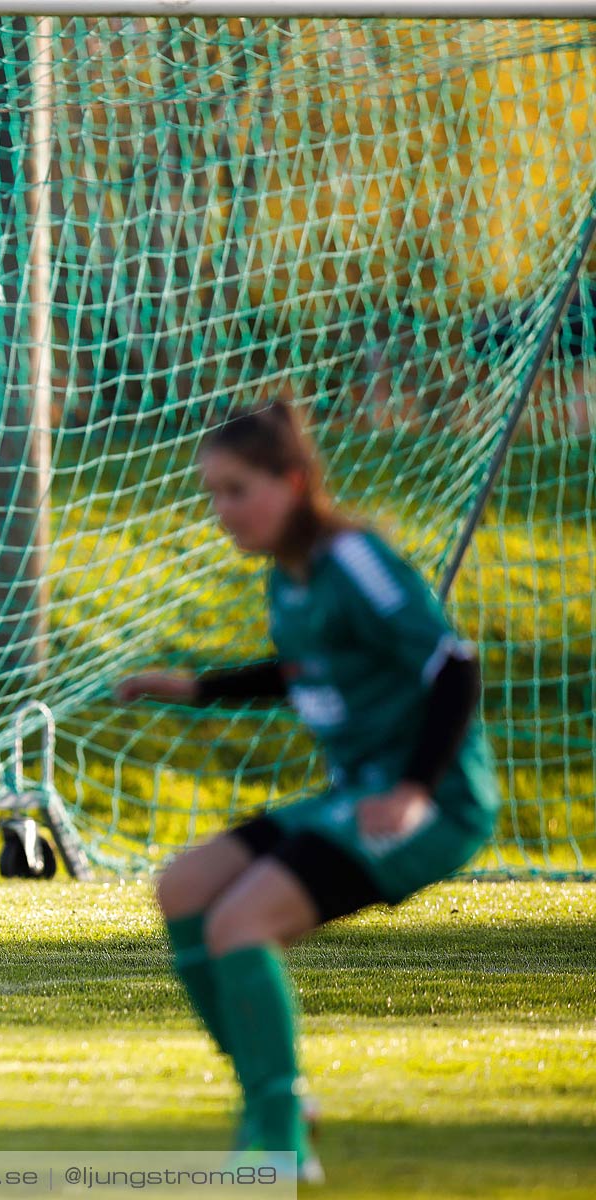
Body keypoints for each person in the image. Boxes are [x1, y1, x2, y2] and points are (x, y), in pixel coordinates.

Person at [116, 401, 497, 1182]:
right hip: (355, 793)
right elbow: (301, 672)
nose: (224, 511)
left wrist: (418, 789)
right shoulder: (288, 583)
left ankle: (277, 1139)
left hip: (430, 803)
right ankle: (278, 1100)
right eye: (214, 493)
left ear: (293, 484)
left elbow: (453, 664)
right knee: (184, 889)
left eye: (238, 489)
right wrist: (192, 688)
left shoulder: (350, 558)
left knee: (241, 922)